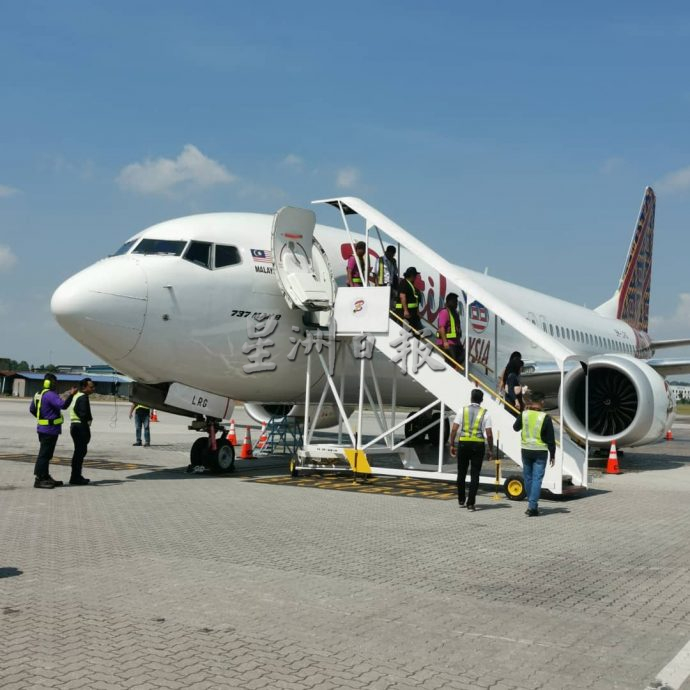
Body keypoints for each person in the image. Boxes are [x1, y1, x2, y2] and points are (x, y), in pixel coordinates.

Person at [29, 373, 77, 489]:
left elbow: (32, 409)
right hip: (50, 430)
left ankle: (45, 476)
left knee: (46, 454)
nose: (56, 385)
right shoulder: (50, 395)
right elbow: (63, 405)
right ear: (51, 383)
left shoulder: (38, 394)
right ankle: (39, 479)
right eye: (55, 382)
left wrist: (42, 419)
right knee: (44, 455)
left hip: (42, 429)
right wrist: (71, 394)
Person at [449, 388, 493, 511]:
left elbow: (454, 429)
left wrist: (452, 444)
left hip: (463, 444)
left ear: (471, 398)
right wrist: (490, 449)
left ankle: (461, 499)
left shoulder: (462, 410)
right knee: (475, 474)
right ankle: (471, 503)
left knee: (461, 472)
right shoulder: (486, 413)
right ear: (482, 400)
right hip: (478, 445)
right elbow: (489, 434)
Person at [513, 390, 555, 516]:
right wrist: (552, 455)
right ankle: (532, 506)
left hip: (526, 450)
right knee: (537, 479)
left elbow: (515, 428)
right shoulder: (545, 417)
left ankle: (533, 505)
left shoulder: (524, 414)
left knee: (528, 478)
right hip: (540, 452)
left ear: (531, 401)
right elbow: (550, 439)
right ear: (542, 402)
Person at [68, 377, 95, 485]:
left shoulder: (77, 395)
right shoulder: (83, 397)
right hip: (80, 427)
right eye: (91, 387)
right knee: (80, 453)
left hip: (74, 426)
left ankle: (76, 476)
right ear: (84, 387)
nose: (93, 389)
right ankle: (75, 477)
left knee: (78, 452)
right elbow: (83, 413)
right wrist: (88, 421)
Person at [436, 292, 464, 369]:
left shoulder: (455, 313)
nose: (456, 303)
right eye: (454, 301)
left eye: (457, 301)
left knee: (463, 355)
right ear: (449, 302)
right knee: (452, 361)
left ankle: (455, 369)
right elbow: (441, 328)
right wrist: (445, 342)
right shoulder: (444, 312)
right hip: (447, 343)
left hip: (455, 342)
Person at [396, 266, 423, 331]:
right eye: (415, 275)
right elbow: (402, 296)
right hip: (405, 314)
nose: (416, 277)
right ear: (411, 275)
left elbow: (415, 301)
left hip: (413, 314)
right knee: (407, 331)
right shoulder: (404, 283)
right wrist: (405, 310)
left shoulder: (411, 285)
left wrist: (417, 312)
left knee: (418, 331)